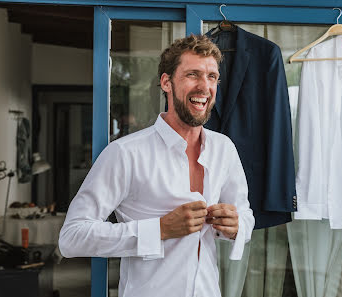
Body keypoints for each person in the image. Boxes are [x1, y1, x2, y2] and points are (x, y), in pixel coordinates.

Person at [59, 34, 254, 297]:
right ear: (166, 82)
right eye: (192, 75)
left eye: (212, 76)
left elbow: (245, 215)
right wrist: (159, 229)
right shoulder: (125, 153)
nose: (204, 86)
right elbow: (72, 237)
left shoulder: (224, 149)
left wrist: (236, 225)